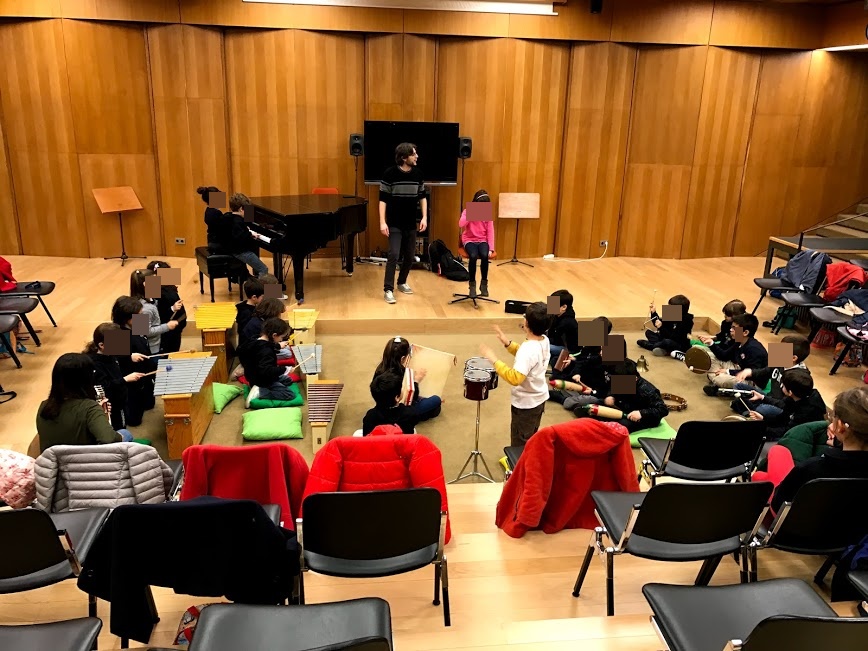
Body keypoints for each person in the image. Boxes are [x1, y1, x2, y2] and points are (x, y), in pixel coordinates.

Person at [771, 386, 868, 514]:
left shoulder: (812, 468)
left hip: (800, 521)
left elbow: (777, 506)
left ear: (840, 426)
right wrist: (839, 442)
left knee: (777, 453)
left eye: (833, 417)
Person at [479, 302, 551, 447]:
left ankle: (520, 461)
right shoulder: (544, 339)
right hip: (539, 398)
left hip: (526, 404)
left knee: (520, 442)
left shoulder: (528, 350)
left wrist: (494, 360)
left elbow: (515, 378)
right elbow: (530, 359)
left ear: (526, 323)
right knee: (531, 436)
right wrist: (507, 343)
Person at [37, 353, 134, 452]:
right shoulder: (90, 408)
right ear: (86, 379)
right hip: (85, 459)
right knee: (125, 434)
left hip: (53, 459)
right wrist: (99, 415)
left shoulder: (44, 406)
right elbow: (109, 439)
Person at [379, 143, 428, 304]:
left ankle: (401, 282)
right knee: (393, 254)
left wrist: (424, 218)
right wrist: (382, 222)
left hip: (411, 223)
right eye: (413, 154)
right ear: (404, 157)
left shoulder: (418, 174)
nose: (417, 156)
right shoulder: (389, 174)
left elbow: (422, 197)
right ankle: (388, 289)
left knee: (410, 255)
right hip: (394, 223)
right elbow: (383, 200)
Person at [84, 322, 146, 432]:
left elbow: (118, 358)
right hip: (112, 406)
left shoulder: (110, 351)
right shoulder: (95, 365)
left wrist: (130, 357)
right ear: (101, 345)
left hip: (121, 399)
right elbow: (104, 387)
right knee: (119, 430)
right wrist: (125, 379)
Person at [578, 359, 669, 433]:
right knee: (597, 404)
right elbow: (612, 388)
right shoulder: (623, 379)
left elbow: (663, 409)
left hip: (641, 418)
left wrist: (641, 413)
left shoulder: (647, 390)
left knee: (621, 425)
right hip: (625, 407)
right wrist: (611, 396)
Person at [731, 334, 811, 418]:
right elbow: (766, 371)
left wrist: (763, 399)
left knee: (762, 409)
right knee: (738, 386)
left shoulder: (798, 377)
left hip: (780, 406)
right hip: (768, 397)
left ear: (793, 358)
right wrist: (750, 372)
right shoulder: (781, 360)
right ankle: (748, 406)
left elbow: (786, 405)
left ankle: (748, 407)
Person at [741, 368, 827, 440]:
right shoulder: (797, 395)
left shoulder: (808, 411)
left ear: (790, 392)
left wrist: (760, 428)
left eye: (783, 385)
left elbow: (787, 431)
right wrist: (763, 418)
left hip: (795, 437)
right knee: (741, 387)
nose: (781, 386)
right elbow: (783, 415)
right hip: (784, 420)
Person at [111, 296, 158, 426]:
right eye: (139, 315)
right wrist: (129, 356)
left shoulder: (139, 321)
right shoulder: (116, 333)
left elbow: (145, 341)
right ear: (127, 318)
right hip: (131, 378)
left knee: (149, 404)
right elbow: (113, 362)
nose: (143, 317)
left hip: (145, 373)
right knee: (134, 420)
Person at [372, 337, 441, 422]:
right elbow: (410, 397)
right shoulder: (399, 375)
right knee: (436, 401)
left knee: (429, 403)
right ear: (402, 358)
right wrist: (416, 381)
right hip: (397, 410)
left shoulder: (380, 369)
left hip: (381, 406)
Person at [704, 312, 768, 395]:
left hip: (752, 382)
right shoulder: (738, 341)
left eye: (734, 328)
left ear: (745, 332)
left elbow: (753, 374)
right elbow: (724, 356)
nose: (731, 330)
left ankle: (718, 383)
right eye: (731, 327)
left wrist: (728, 371)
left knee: (722, 379)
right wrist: (711, 344)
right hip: (739, 369)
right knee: (710, 357)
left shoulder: (754, 349)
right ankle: (717, 381)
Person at [237, 317, 296, 406]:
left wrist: (277, 346)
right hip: (262, 380)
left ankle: (257, 387)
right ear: (274, 335)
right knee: (289, 394)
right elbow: (266, 370)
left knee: (288, 380)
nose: (281, 340)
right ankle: (260, 392)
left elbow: (264, 347)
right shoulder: (266, 351)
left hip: (252, 375)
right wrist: (285, 369)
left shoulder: (255, 340)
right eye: (281, 337)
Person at [130, 269, 180, 355]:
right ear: (145, 285)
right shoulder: (144, 308)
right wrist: (167, 326)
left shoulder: (151, 300)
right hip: (151, 349)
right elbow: (144, 332)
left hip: (155, 345)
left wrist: (172, 309)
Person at [219, 192, 269, 278]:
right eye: (247, 209)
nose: (248, 212)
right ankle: (261, 286)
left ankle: (257, 281)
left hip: (230, 248)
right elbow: (240, 238)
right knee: (263, 269)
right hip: (240, 252)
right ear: (241, 209)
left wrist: (248, 232)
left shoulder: (227, 216)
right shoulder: (238, 221)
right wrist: (250, 234)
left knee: (258, 264)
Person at [683, 299, 747, 365]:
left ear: (736, 316)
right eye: (725, 314)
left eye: (728, 315)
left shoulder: (739, 332)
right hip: (721, 349)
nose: (725, 316)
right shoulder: (725, 323)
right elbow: (721, 336)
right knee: (695, 348)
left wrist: (712, 344)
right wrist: (709, 338)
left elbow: (727, 355)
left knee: (699, 356)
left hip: (727, 357)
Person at [458, 189, 495, 298]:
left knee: (484, 255)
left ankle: (484, 284)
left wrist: (491, 248)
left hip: (482, 240)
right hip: (469, 240)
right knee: (473, 256)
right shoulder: (467, 211)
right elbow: (461, 224)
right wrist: (472, 212)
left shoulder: (487, 213)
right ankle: (472, 285)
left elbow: (490, 231)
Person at [362, 371, 421, 435]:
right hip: (403, 440)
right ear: (397, 398)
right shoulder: (410, 412)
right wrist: (415, 383)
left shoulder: (370, 416)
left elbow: (366, 436)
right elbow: (414, 420)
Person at [146, 260, 186, 354]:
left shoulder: (168, 289)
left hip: (172, 331)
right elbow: (144, 333)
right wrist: (171, 310)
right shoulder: (146, 304)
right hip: (160, 341)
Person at [547, 289, 579, 362]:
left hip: (568, 350)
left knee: (540, 345)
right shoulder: (556, 316)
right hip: (558, 344)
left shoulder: (567, 322)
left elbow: (556, 340)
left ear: (564, 307)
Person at [197, 186, 225, 253]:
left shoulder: (209, 211)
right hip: (217, 243)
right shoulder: (215, 213)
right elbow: (222, 229)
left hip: (212, 241)